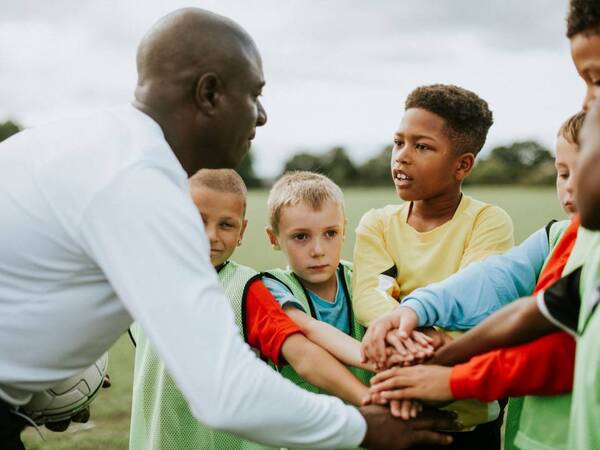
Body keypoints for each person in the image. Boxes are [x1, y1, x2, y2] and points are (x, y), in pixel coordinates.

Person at [0, 8, 456, 450]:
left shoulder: (74, 144)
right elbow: (223, 391)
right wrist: (362, 426)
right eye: (254, 94)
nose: (261, 115)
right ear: (210, 93)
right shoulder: (140, 186)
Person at [129, 169, 374, 449]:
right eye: (198, 220)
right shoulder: (144, 281)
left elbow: (303, 355)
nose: (211, 236)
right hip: (157, 439)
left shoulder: (248, 288)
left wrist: (371, 397)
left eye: (226, 225)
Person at [351, 84, 514, 448]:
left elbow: (477, 302)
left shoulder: (487, 222)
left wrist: (419, 340)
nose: (402, 157)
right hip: (395, 416)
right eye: (398, 142)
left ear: (462, 165)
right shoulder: (377, 223)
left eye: (421, 146)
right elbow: (371, 295)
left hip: (471, 420)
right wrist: (422, 342)